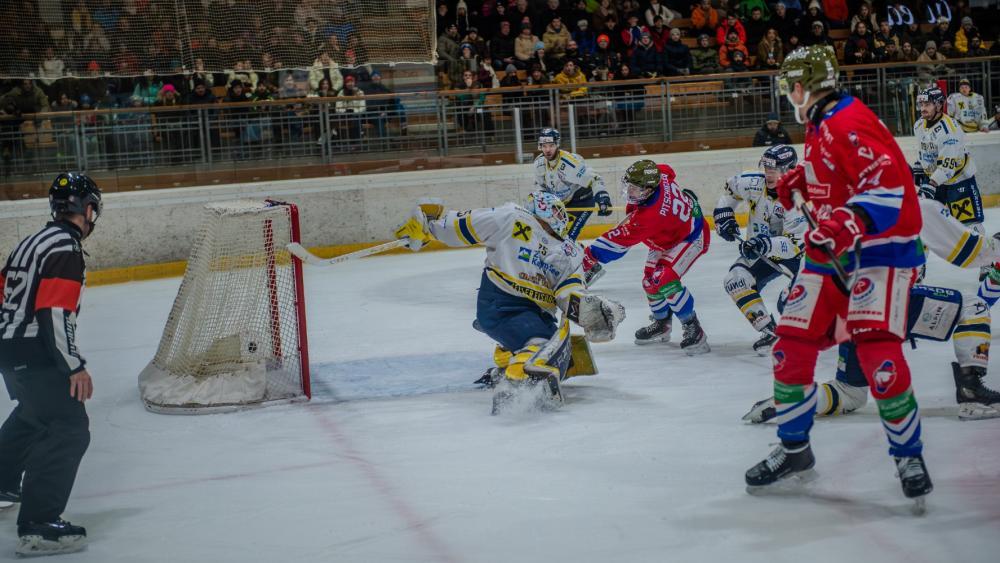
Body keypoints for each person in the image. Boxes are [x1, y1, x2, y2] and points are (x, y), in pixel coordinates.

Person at [744, 46, 931, 508]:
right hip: (831, 252)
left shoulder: (848, 121)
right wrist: (804, 185)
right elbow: (841, 179)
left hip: (879, 253)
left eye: (789, 86)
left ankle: (908, 457)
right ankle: (795, 451)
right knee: (790, 345)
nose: (788, 94)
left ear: (802, 86)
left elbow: (888, 187)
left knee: (878, 353)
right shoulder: (820, 121)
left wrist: (844, 222)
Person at [392, 192, 625, 414]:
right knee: (541, 344)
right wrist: (429, 227)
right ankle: (517, 381)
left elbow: (568, 291)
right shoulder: (512, 217)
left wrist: (589, 308)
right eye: (555, 210)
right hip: (500, 302)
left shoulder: (570, 252)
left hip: (538, 315)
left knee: (552, 346)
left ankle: (508, 359)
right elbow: (464, 226)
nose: (560, 216)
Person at [0, 172, 102, 556]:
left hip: (9, 348)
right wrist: (73, 365)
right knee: (68, 427)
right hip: (36, 351)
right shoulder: (65, 247)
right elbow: (54, 312)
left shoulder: (31, 242)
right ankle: (39, 526)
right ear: (88, 210)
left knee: (32, 414)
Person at [582, 160, 711, 354]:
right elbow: (669, 170)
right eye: (628, 185)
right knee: (649, 282)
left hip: (690, 237)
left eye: (634, 188)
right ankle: (662, 324)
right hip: (668, 234)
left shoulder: (650, 216)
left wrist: (587, 257)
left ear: (649, 190)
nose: (629, 191)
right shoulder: (659, 175)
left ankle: (693, 327)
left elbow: (616, 243)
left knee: (663, 278)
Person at [714, 145, 806, 354]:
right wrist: (724, 214)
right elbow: (730, 191)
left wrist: (764, 244)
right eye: (766, 167)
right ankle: (771, 332)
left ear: (789, 170)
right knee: (736, 280)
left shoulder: (799, 198)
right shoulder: (752, 183)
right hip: (763, 250)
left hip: (801, 257)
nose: (768, 173)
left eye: (774, 169)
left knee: (788, 304)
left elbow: (794, 245)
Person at [914, 86, 982, 233]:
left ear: (939, 105)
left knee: (969, 227)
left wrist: (931, 185)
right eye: (921, 104)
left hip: (959, 180)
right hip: (936, 179)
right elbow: (924, 149)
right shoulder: (919, 125)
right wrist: (919, 166)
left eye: (927, 104)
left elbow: (947, 167)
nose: (923, 108)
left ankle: (984, 247)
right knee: (927, 225)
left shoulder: (950, 130)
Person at [533, 128, 611, 240]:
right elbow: (540, 186)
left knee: (567, 239)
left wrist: (602, 196)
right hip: (561, 204)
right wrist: (546, 202)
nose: (548, 150)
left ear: (557, 144)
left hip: (582, 202)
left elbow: (595, 178)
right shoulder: (539, 163)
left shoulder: (569, 163)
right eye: (544, 146)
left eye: (551, 145)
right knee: (551, 236)